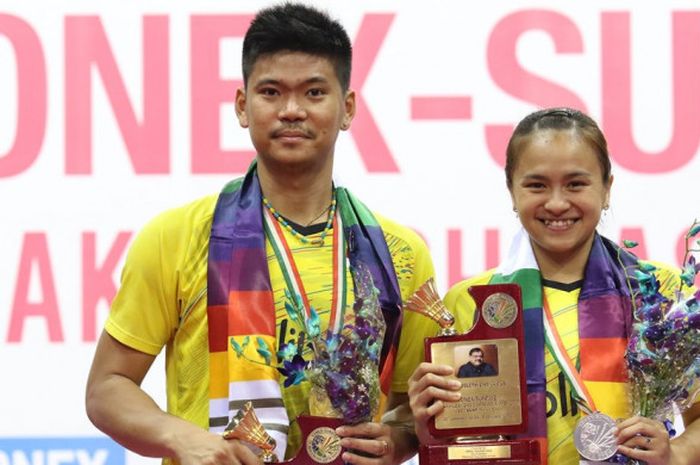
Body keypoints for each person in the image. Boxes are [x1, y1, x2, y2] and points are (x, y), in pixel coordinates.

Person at [85, 4, 437, 465]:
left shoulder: (400, 253)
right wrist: (180, 438)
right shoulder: (175, 237)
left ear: (347, 108)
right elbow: (107, 387)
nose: (292, 110)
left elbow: (416, 409)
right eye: (271, 92)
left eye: (314, 92)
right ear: (243, 106)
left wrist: (396, 442)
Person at [407, 108, 700, 465]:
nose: (557, 203)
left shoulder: (657, 292)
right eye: (536, 185)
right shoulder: (470, 302)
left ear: (607, 188)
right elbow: (458, 441)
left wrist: (676, 454)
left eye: (576, 184)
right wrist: (428, 426)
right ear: (511, 192)